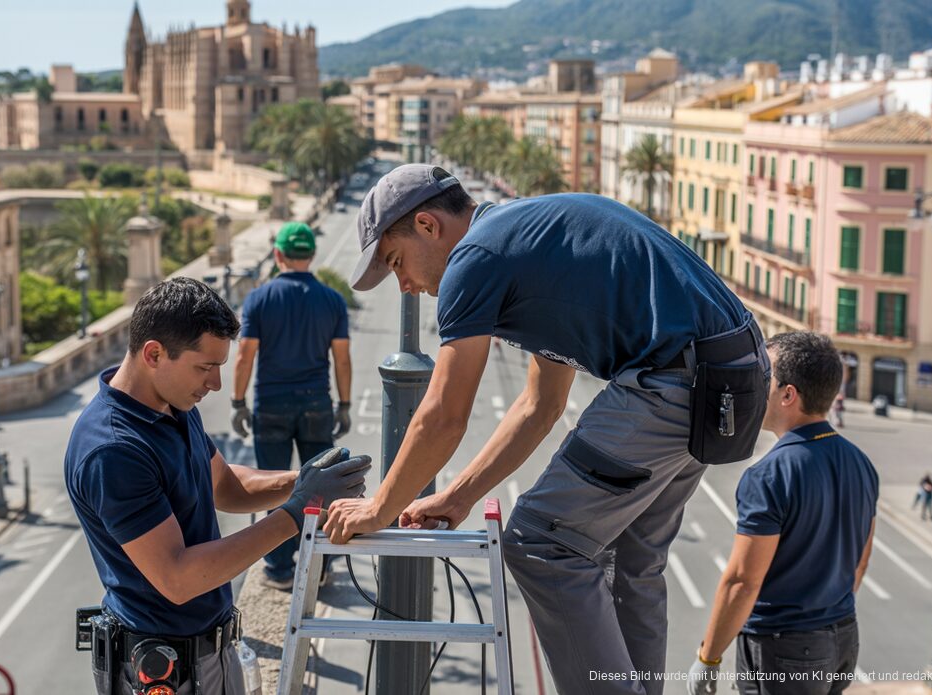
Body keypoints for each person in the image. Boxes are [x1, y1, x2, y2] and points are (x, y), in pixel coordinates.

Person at [323, 164, 770, 695]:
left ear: (427, 225)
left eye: (396, 263)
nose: (406, 285)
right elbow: (541, 403)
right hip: (727, 375)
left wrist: (379, 509)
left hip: (675, 379)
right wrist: (459, 496)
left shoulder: (475, 258)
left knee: (541, 542)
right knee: (632, 558)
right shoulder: (523, 242)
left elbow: (444, 413)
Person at [64, 278, 370, 695]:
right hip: (165, 667)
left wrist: (301, 481)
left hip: (209, 654)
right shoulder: (114, 450)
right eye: (205, 367)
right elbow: (179, 578)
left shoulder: (171, 403)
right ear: (154, 353)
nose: (216, 384)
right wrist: (299, 510)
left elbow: (226, 487)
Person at [686, 331, 878, 695]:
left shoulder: (768, 475)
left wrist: (708, 658)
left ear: (788, 395)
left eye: (765, 378)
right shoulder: (861, 462)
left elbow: (743, 581)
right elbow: (861, 561)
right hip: (842, 636)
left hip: (784, 646)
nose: (757, 386)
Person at [229, 221, 353, 590]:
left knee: (272, 483)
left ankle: (280, 569)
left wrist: (238, 402)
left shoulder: (258, 299)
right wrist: (344, 404)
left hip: (270, 403)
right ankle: (320, 563)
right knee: (324, 486)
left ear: (279, 255)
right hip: (317, 402)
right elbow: (342, 360)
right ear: (311, 255)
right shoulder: (332, 300)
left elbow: (244, 356)